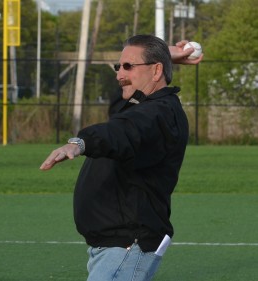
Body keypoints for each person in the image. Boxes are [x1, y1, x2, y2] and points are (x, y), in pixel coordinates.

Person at [40, 35, 203, 281]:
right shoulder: (141, 105)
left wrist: (80, 142)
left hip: (128, 245)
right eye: (119, 66)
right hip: (118, 245)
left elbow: (121, 132)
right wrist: (167, 54)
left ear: (156, 70)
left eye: (128, 66)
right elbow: (121, 110)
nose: (119, 74)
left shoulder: (159, 113)